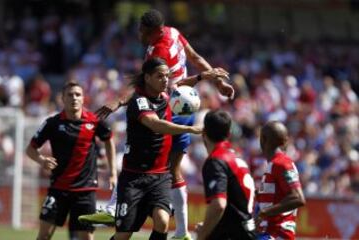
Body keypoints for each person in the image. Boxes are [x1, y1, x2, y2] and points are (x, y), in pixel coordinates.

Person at [89, 9, 234, 240]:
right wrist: (217, 82)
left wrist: (120, 101)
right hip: (186, 105)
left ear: (154, 31)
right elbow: (195, 57)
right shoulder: (173, 32)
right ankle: (182, 231)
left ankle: (114, 206)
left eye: (143, 31)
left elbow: (166, 87)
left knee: (137, 145)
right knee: (173, 169)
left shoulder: (160, 51)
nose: (139, 34)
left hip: (172, 106)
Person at [109, 58, 208, 240]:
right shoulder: (139, 102)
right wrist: (190, 129)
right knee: (124, 234)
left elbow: (183, 83)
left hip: (160, 176)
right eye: (160, 76)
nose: (165, 80)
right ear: (147, 78)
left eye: (167, 76)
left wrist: (204, 76)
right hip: (134, 177)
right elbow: (155, 125)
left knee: (162, 222)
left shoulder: (167, 97)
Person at [26, 81, 117, 240]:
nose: (74, 98)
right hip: (58, 188)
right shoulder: (52, 123)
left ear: (83, 98)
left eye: (78, 95)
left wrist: (113, 173)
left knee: (86, 237)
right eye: (70, 95)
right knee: (44, 235)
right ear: (62, 98)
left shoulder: (94, 121)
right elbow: (30, 149)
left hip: (85, 190)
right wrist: (42, 161)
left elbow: (109, 141)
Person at [194, 110, 256, 240]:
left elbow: (219, 204)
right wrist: (209, 226)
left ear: (203, 132)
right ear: (228, 134)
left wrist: (203, 234)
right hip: (246, 232)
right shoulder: (237, 159)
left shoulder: (216, 161)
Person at [256, 121, 306, 239]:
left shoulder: (282, 163)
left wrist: (265, 212)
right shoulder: (273, 165)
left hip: (277, 235)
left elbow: (298, 198)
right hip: (267, 233)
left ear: (263, 140)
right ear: (285, 141)